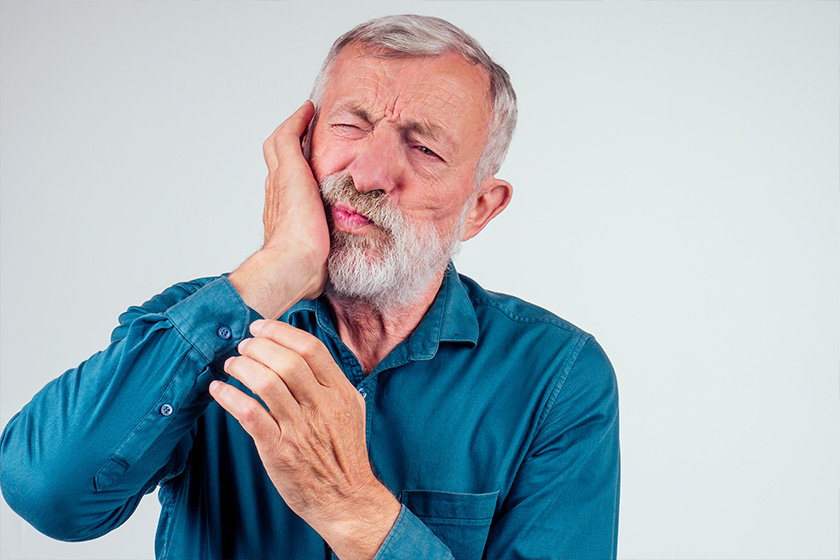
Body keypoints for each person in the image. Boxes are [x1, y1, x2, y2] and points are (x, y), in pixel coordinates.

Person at [0, 14, 620, 560]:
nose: (368, 174)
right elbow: (48, 495)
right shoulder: (198, 323)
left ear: (481, 207)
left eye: (424, 148)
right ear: (300, 148)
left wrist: (355, 511)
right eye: (350, 125)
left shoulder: (557, 377)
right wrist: (280, 263)